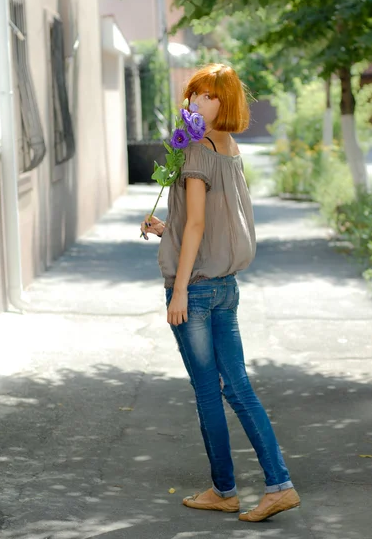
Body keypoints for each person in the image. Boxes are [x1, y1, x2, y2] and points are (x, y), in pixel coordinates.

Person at [140, 63, 300, 522]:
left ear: (224, 102)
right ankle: (270, 484)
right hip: (226, 287)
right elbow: (207, 224)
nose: (196, 102)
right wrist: (165, 228)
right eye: (194, 93)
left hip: (199, 291)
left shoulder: (196, 150)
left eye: (207, 96)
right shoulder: (228, 149)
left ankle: (231, 489)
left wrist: (180, 292)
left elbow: (197, 224)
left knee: (211, 392)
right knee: (239, 388)